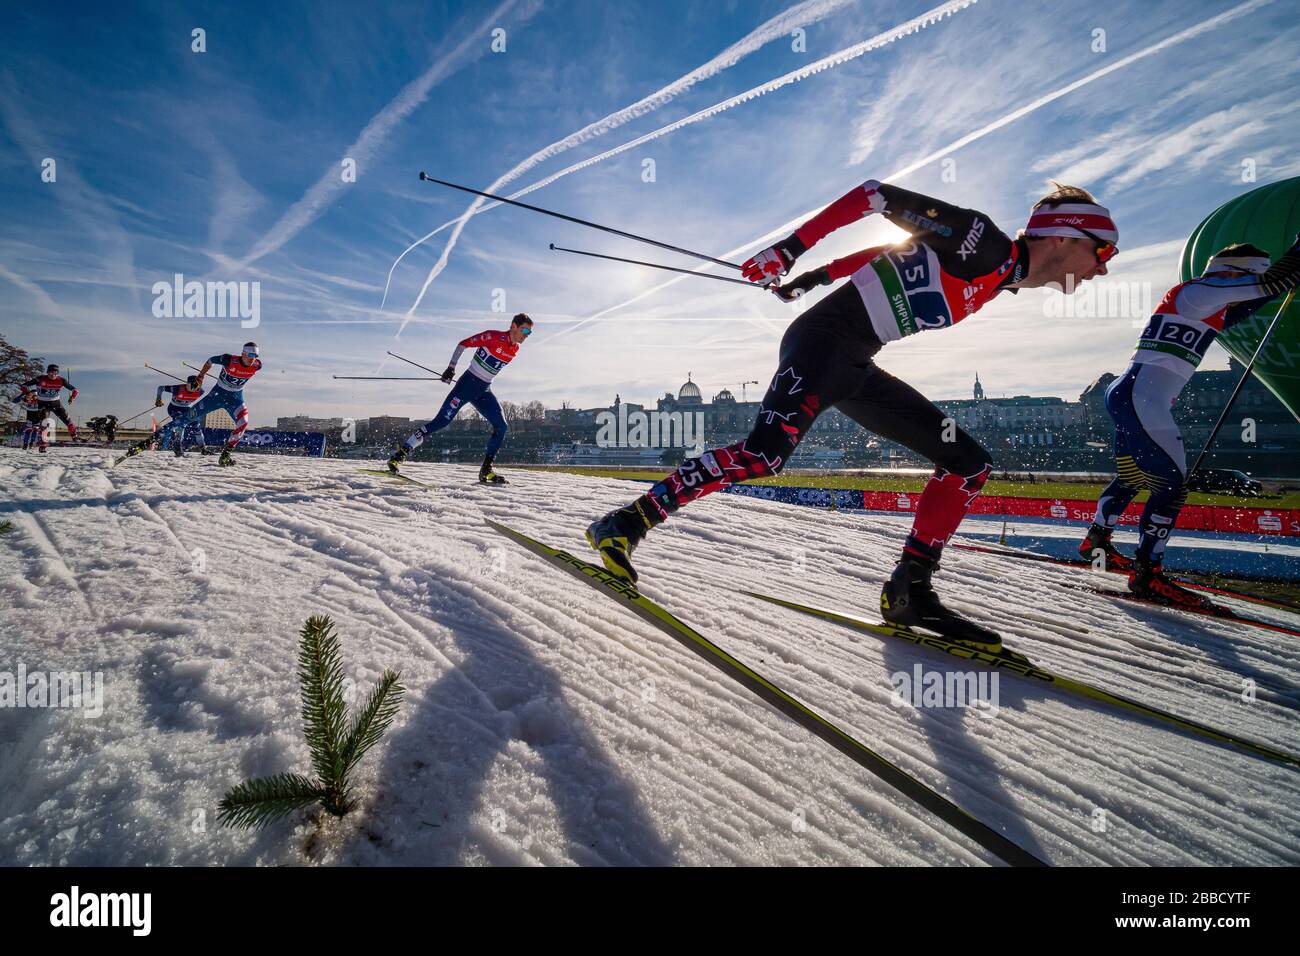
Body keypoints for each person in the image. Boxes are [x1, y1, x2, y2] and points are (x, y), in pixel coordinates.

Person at [586, 179, 1117, 651]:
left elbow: (892, 252)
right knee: (762, 456)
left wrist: (812, 277)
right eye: (1102, 252)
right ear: (1065, 236)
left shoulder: (1001, 274)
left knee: (968, 463)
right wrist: (789, 250)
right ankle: (627, 521)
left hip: (855, 361)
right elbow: (874, 196)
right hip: (823, 345)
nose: (1103, 268)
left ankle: (910, 590)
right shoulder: (983, 239)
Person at [1079, 235, 1300, 605]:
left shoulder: (1201, 300)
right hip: (1142, 398)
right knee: (1171, 487)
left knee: (1134, 477)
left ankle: (1096, 541)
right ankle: (1147, 573)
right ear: (1234, 273)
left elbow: (1259, 297)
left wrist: (1283, 281)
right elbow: (1269, 284)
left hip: (1128, 392)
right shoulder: (1199, 292)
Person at [387, 313, 533, 484]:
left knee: (501, 426)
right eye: (524, 330)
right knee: (441, 422)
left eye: (529, 333)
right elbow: (463, 344)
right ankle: (398, 456)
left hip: (484, 390)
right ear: (513, 326)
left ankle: (486, 470)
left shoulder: (515, 349)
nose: (526, 335)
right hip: (466, 385)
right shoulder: (493, 336)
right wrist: (451, 368)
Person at [189, 342, 262, 466]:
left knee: (243, 422)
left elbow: (241, 373)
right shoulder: (228, 360)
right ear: (243, 353)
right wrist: (201, 376)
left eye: (255, 355)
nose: (252, 358)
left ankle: (225, 455)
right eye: (250, 354)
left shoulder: (257, 365)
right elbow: (210, 361)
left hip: (235, 398)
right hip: (217, 395)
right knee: (189, 415)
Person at [20, 363, 79, 444]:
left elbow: (75, 390)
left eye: (55, 373)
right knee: (44, 423)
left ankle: (75, 437)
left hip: (56, 404)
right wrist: (27, 393)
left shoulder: (61, 380)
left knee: (68, 421)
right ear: (47, 372)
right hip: (43, 405)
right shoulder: (40, 379)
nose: (53, 375)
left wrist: (72, 397)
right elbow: (24, 386)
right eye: (51, 373)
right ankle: (43, 440)